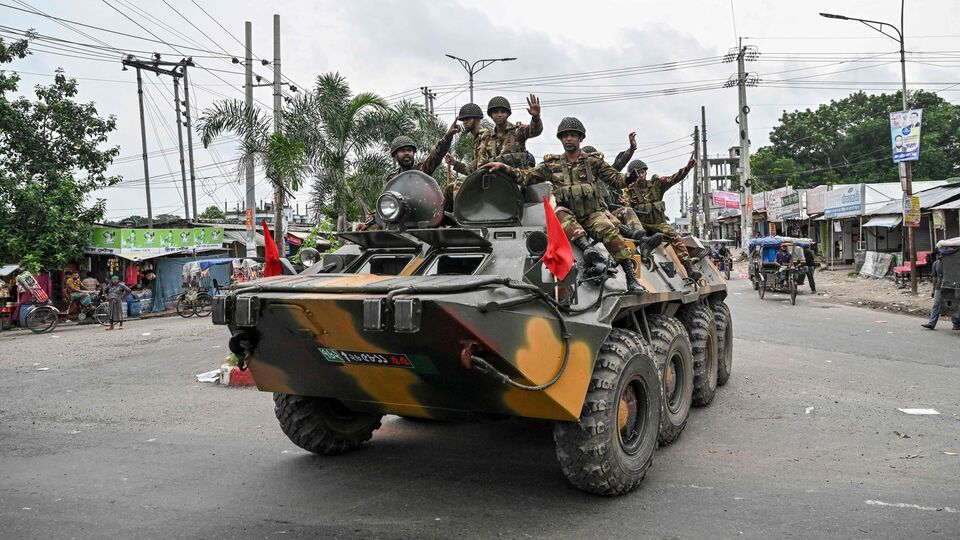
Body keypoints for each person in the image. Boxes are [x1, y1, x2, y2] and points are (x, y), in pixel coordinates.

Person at [483, 117, 647, 293]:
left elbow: (616, 180)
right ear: (560, 139)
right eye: (565, 136)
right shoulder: (552, 165)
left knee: (609, 231)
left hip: (592, 214)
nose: (569, 139)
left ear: (580, 138)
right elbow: (526, 176)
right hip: (568, 214)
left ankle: (631, 279)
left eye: (573, 135)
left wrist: (629, 178)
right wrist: (504, 167)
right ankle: (587, 249)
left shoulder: (593, 163)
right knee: (559, 212)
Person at [357, 122, 460, 230]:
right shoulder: (392, 179)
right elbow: (387, 202)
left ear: (413, 153)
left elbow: (437, 154)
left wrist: (448, 136)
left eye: (409, 150)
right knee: (372, 233)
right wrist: (368, 223)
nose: (406, 153)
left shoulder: (422, 170)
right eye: (402, 151)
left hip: (425, 220)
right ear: (395, 155)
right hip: (400, 222)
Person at [620, 154, 701, 280]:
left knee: (675, 236)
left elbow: (674, 178)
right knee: (635, 236)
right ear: (631, 175)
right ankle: (645, 248)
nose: (640, 176)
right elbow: (626, 208)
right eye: (637, 173)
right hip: (641, 226)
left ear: (646, 172)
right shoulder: (627, 192)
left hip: (658, 224)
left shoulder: (656, 185)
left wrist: (687, 168)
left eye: (642, 172)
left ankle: (689, 268)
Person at [921, 252, 960, 330]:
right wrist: (933, 289)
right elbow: (934, 277)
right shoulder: (936, 264)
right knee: (936, 304)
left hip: (950, 287)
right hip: (939, 287)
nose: (940, 256)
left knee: (952, 305)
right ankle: (931, 323)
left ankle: (956, 324)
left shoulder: (952, 263)